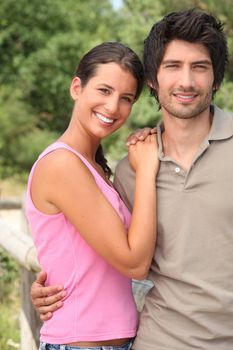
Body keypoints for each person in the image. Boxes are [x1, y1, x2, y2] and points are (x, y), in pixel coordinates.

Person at [31, 8, 233, 350]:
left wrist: (52, 278)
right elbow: (132, 261)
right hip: (147, 342)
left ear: (216, 79)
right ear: (154, 79)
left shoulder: (104, 169)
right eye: (173, 66)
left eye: (199, 67)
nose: (186, 81)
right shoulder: (127, 170)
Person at [26, 41, 159, 350]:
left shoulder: (95, 168)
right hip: (82, 344)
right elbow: (135, 264)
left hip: (111, 342)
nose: (113, 107)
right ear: (77, 87)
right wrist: (147, 170)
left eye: (126, 98)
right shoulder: (62, 164)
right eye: (104, 90)